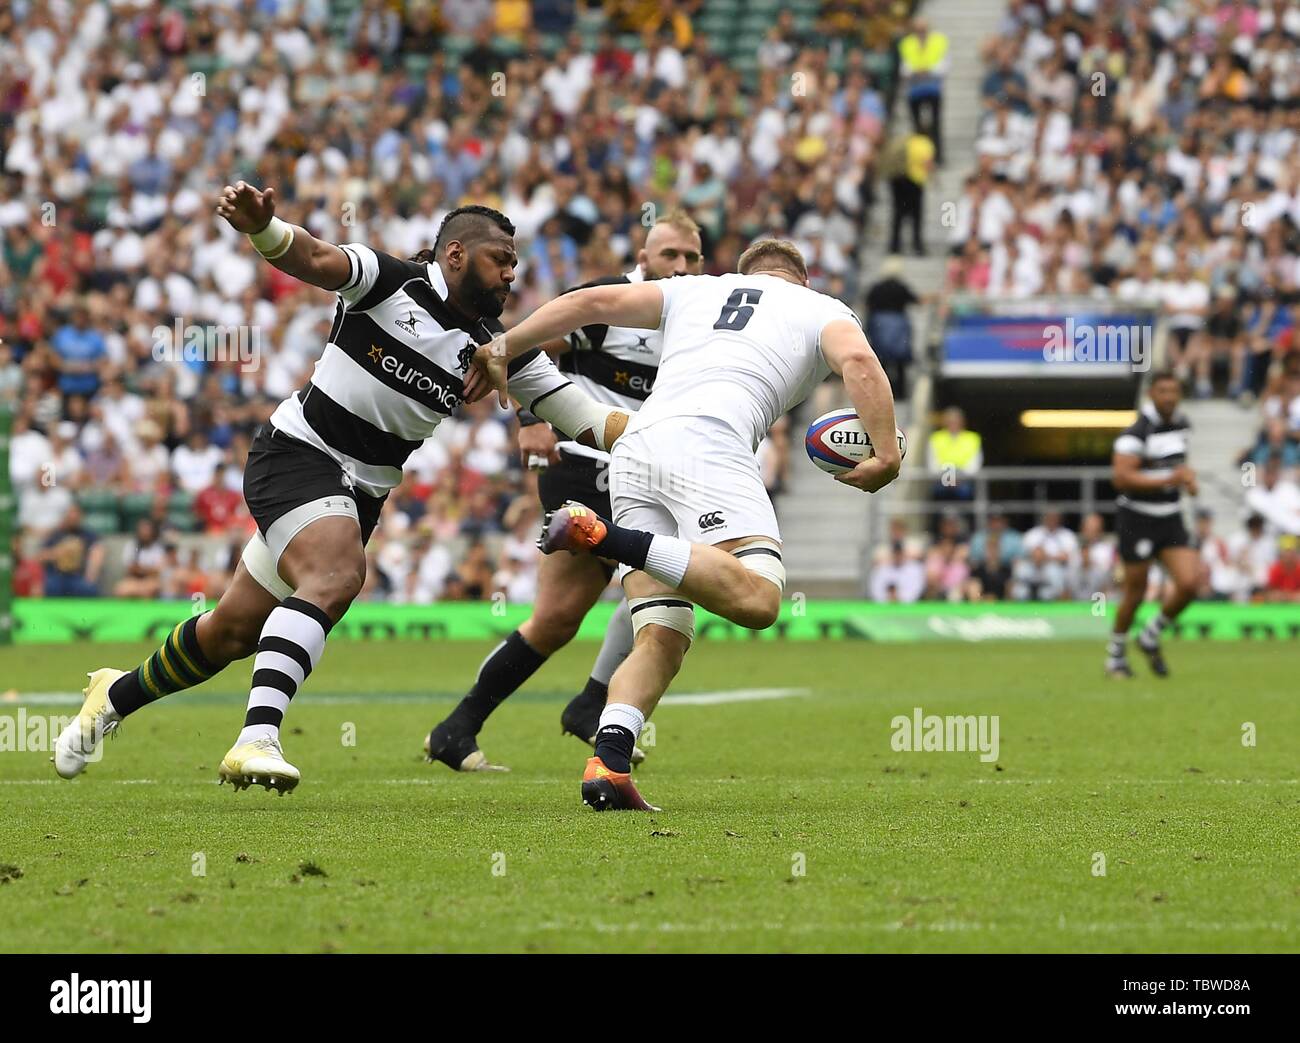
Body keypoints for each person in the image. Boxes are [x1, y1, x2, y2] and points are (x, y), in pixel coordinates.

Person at [54, 187, 630, 791]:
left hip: (361, 495)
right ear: (455, 254)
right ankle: (257, 739)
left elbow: (588, 419)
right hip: (298, 454)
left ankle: (111, 696)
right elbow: (312, 257)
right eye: (500, 258)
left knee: (229, 632)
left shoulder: (498, 348)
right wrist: (264, 227)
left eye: (516, 262)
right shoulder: (388, 281)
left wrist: (678, 441)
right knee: (335, 576)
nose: (512, 272)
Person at [468, 238, 900, 810]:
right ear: (800, 276)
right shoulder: (820, 307)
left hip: (636, 449)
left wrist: (505, 344)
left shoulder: (697, 290)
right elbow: (860, 363)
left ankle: (609, 764)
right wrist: (889, 453)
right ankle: (601, 534)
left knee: (663, 634)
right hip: (709, 448)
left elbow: (587, 302)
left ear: (742, 272)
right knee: (760, 598)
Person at [422, 210, 705, 772]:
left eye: (692, 258)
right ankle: (592, 704)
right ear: (642, 258)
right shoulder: (607, 301)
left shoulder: (697, 318)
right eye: (669, 255)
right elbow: (528, 344)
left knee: (558, 619)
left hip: (648, 472)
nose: (680, 267)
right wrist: (531, 418)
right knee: (661, 576)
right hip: (586, 464)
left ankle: (459, 728)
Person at [1106, 372, 1199, 678]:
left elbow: (1175, 465)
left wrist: (1187, 479)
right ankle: (1115, 656)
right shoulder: (1136, 432)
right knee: (1136, 591)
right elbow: (1121, 478)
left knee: (1189, 583)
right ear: (1151, 395)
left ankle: (1149, 634)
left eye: (1174, 391)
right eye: (1163, 391)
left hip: (1170, 516)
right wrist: (1170, 479)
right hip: (1138, 518)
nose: (1169, 397)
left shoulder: (1181, 424)